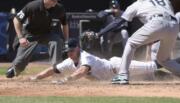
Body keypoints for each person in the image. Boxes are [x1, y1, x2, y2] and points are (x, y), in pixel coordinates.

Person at [94, 0, 180, 84]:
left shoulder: (138, 2)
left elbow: (118, 22)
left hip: (157, 21)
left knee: (130, 42)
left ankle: (123, 75)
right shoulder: (165, 0)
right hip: (174, 25)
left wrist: (99, 34)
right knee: (164, 60)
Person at [30, 38, 159, 83]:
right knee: (150, 74)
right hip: (114, 77)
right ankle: (169, 72)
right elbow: (52, 70)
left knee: (151, 67)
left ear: (78, 48)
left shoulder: (85, 57)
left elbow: (83, 70)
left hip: (118, 66)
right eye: (67, 51)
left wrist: (66, 80)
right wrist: (36, 77)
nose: (69, 53)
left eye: (71, 50)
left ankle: (175, 63)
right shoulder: (69, 61)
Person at [6, 0, 69, 78]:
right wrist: (20, 37)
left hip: (46, 34)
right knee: (19, 63)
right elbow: (16, 20)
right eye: (52, 0)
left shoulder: (59, 8)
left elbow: (65, 24)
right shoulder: (33, 6)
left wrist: (66, 41)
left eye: (56, 0)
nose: (55, 2)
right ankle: (15, 68)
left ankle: (57, 70)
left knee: (57, 41)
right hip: (29, 34)